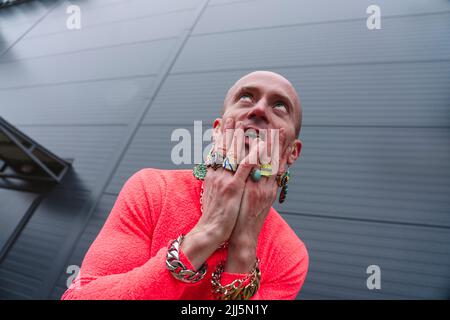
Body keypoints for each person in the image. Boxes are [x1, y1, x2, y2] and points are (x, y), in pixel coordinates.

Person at [61, 71, 309, 300]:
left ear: (292, 152)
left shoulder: (289, 256)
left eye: (279, 106)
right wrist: (208, 232)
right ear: (218, 130)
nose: (259, 109)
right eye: (246, 97)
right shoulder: (152, 190)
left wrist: (244, 244)